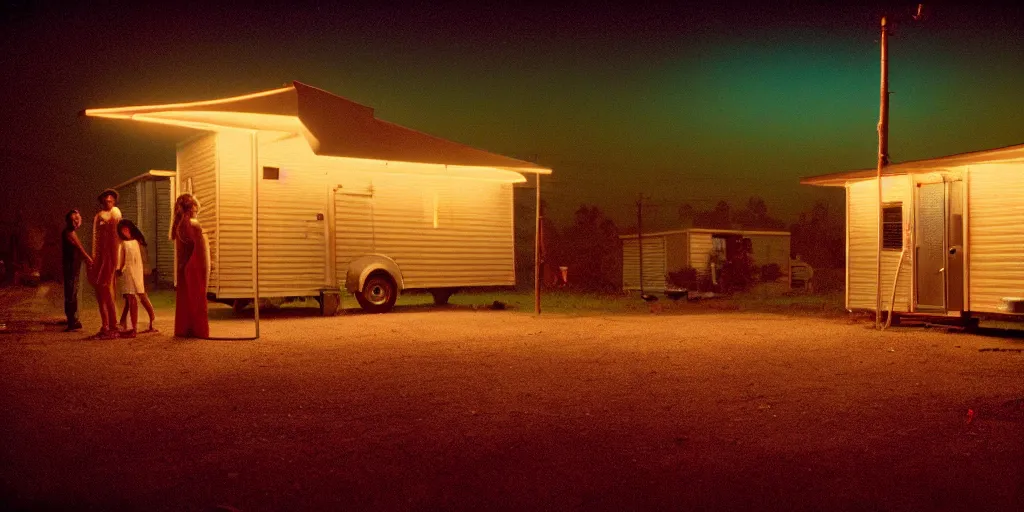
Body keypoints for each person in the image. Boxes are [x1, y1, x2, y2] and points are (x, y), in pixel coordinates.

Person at [171, 193, 209, 338]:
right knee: (197, 298)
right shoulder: (193, 223)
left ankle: (186, 328)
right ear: (193, 207)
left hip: (184, 266)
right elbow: (200, 251)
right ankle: (199, 330)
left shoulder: (180, 224)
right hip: (194, 266)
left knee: (186, 299)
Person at [87, 189, 122, 339]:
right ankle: (105, 324)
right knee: (99, 291)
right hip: (100, 257)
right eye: (105, 197)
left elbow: (118, 237)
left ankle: (114, 324)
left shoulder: (115, 212)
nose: (108, 199)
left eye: (111, 197)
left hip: (111, 256)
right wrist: (93, 257)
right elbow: (95, 237)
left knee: (108, 289)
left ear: (114, 201)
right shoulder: (98, 216)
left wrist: (118, 260)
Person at [116, 219, 157, 337]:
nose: (125, 231)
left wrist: (118, 270)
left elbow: (124, 261)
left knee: (135, 298)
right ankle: (128, 324)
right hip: (131, 273)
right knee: (133, 299)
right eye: (122, 230)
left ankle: (135, 327)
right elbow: (124, 260)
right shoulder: (130, 243)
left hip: (132, 273)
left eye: (126, 229)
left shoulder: (131, 243)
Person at [61, 209, 93, 331]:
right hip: (71, 267)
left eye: (77, 218)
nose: (76, 221)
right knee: (71, 293)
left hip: (72, 266)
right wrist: (88, 258)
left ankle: (71, 319)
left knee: (72, 292)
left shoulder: (70, 231)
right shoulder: (69, 232)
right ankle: (71, 321)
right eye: (74, 219)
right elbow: (80, 248)